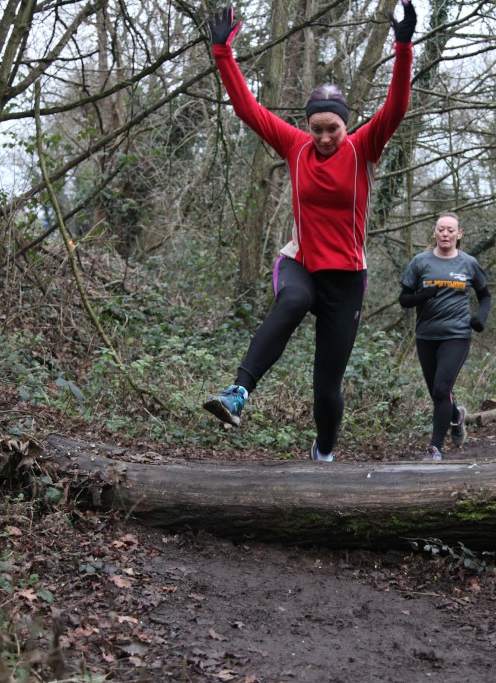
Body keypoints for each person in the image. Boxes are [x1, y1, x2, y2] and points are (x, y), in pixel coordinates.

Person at [201, 2, 416, 462]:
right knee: (294, 300)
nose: (323, 138)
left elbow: (397, 108)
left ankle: (324, 451)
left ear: (346, 125)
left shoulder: (364, 148)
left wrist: (403, 48)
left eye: (332, 129)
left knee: (326, 389)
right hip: (300, 261)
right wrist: (223, 53)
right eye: (316, 129)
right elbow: (248, 110)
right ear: (307, 126)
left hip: (346, 279)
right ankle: (238, 392)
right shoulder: (295, 146)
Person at [398, 212, 491, 461]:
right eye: (441, 229)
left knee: (441, 389)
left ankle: (434, 448)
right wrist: (423, 296)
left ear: (459, 234)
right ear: (435, 232)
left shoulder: (468, 263)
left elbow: (485, 296)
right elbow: (404, 299)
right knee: (436, 392)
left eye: (450, 230)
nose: (445, 234)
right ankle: (456, 416)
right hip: (426, 335)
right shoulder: (420, 262)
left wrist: (480, 318)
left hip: (457, 334)